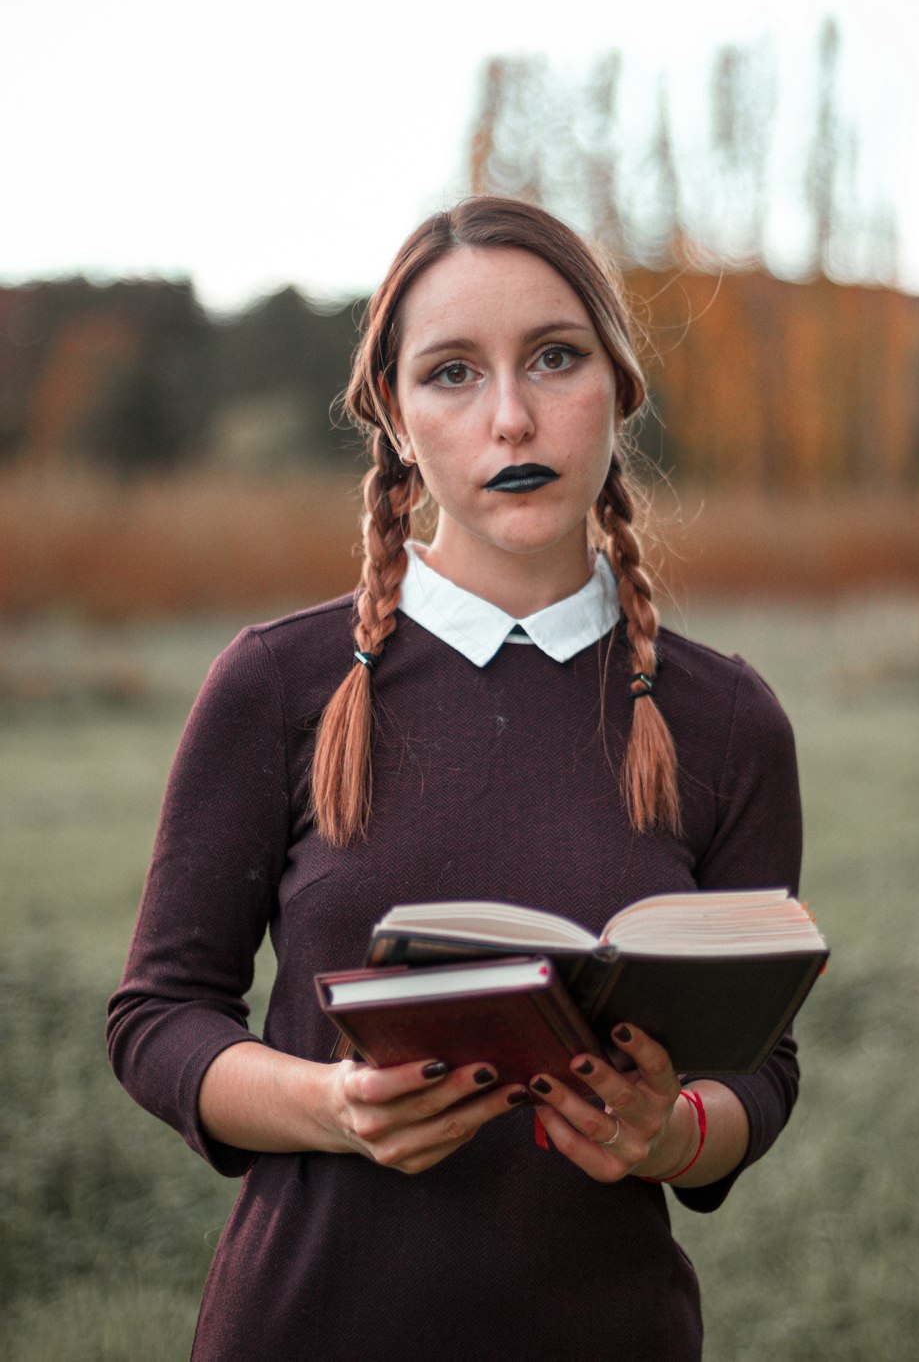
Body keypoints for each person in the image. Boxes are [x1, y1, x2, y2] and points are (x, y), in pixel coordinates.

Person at [107, 196, 803, 1361]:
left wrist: (668, 1136)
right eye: (451, 373)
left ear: (620, 385)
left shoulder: (729, 721)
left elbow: (763, 1073)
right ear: (394, 412)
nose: (513, 417)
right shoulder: (276, 684)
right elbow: (158, 1020)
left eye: (554, 358)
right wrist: (329, 1109)